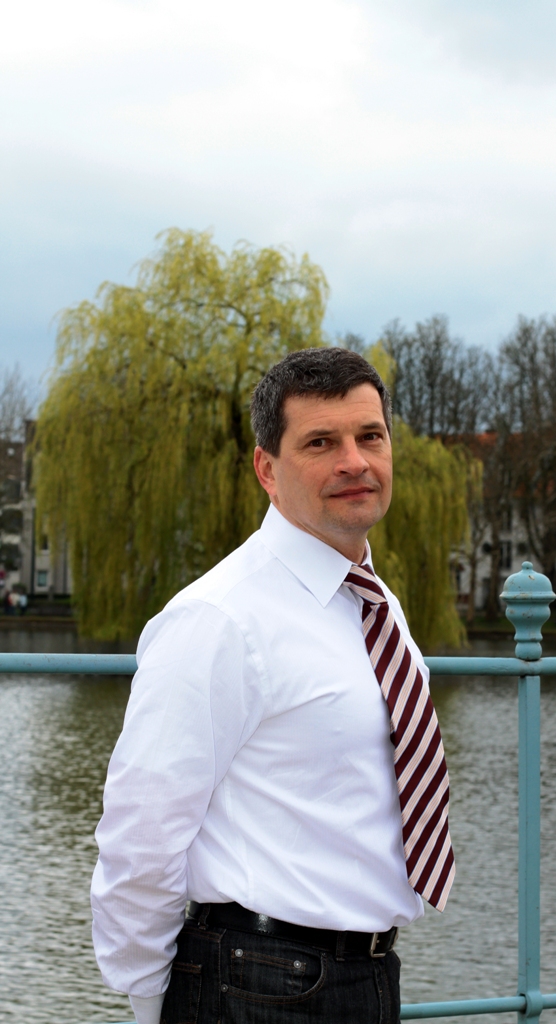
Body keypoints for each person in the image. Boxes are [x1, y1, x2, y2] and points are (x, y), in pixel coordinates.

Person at [91, 347, 454, 1024]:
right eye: (321, 442)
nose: (354, 461)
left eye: (370, 436)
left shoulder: (374, 606)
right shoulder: (220, 618)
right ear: (267, 469)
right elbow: (143, 831)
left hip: (366, 976)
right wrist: (151, 1002)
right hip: (253, 984)